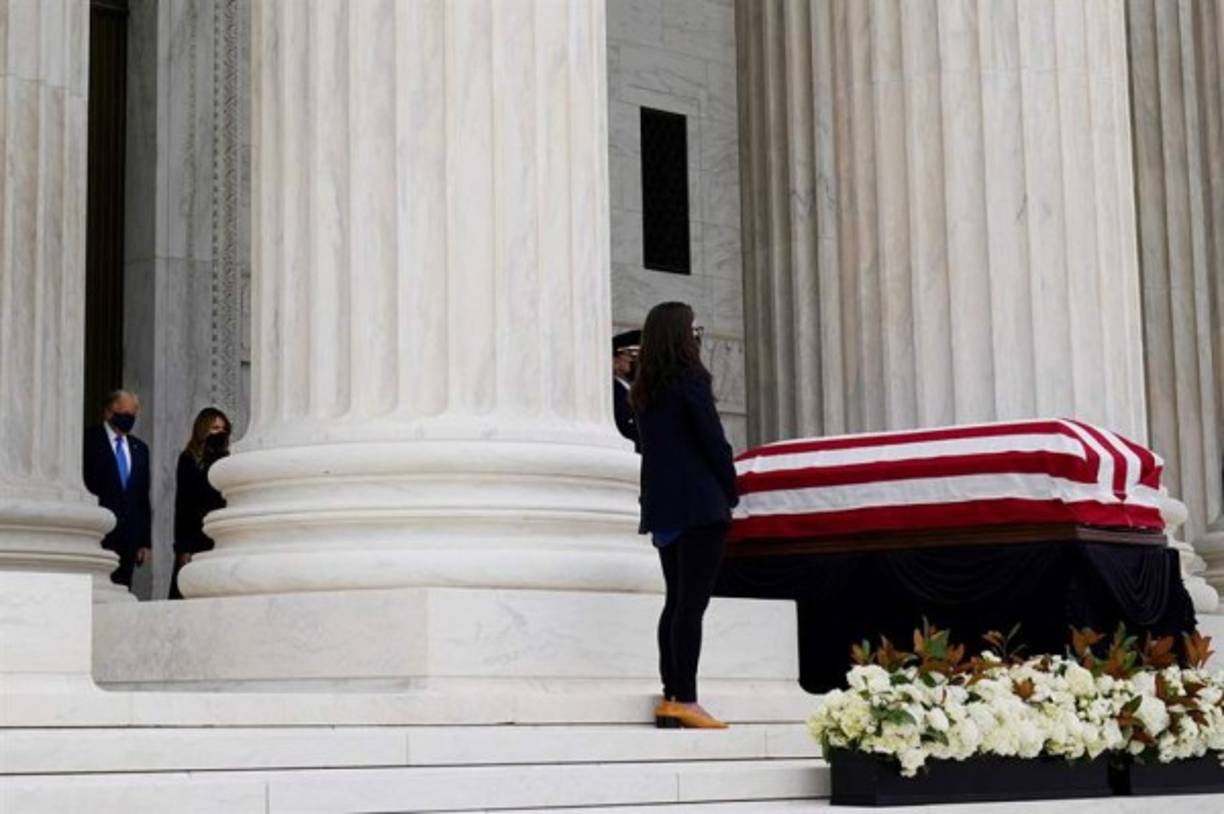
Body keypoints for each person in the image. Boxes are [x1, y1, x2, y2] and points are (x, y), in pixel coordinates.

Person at [630, 302, 737, 729]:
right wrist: (730, 488)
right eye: (695, 327)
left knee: (675, 603)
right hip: (699, 506)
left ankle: (672, 695)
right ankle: (686, 698)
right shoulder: (691, 379)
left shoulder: (644, 388)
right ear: (681, 334)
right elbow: (712, 440)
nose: (698, 334)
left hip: (665, 509)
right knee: (691, 606)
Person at [82, 389, 152, 591]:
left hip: (128, 539)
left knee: (123, 589)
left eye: (132, 416)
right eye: (124, 414)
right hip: (99, 533)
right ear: (108, 412)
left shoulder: (140, 449)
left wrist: (143, 541)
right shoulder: (88, 441)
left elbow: (142, 498)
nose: (128, 419)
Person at [169, 408, 232, 599]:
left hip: (220, 536)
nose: (219, 433)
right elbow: (183, 506)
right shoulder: (188, 460)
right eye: (214, 428)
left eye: (223, 429)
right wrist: (183, 548)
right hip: (195, 537)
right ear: (203, 429)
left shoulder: (228, 461)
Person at [612, 329, 641, 450]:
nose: (638, 360)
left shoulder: (640, 393)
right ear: (615, 361)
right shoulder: (614, 394)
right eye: (632, 354)